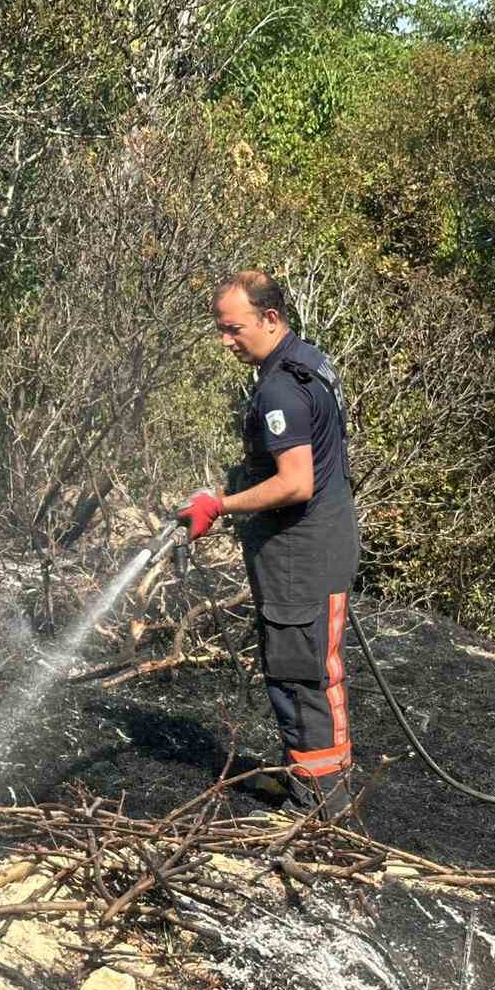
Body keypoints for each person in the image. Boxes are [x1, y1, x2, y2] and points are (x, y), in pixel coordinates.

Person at [175, 270, 359, 816]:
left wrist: (221, 505)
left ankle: (323, 810)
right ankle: (312, 784)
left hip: (302, 559)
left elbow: (296, 481)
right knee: (303, 672)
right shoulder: (308, 361)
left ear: (271, 318)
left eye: (233, 329)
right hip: (316, 547)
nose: (225, 341)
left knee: (303, 678)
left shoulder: (280, 385)